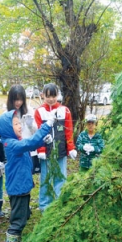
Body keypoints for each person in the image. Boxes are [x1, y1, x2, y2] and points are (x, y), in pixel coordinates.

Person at [0, 109, 55, 242]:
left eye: (19, 123)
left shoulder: (16, 141)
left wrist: (43, 140)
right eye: (15, 124)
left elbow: (30, 144)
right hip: (18, 189)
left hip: (22, 187)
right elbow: (30, 143)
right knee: (18, 221)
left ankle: (17, 241)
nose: (20, 126)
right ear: (7, 128)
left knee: (24, 215)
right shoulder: (11, 144)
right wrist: (46, 126)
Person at [34, 83, 77, 212]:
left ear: (57, 95)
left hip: (61, 151)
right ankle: (45, 205)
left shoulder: (65, 110)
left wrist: (71, 148)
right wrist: (40, 149)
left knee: (61, 177)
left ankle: (60, 203)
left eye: (53, 96)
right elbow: (37, 132)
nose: (51, 99)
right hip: (46, 153)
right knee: (46, 178)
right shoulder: (39, 111)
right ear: (43, 96)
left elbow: (68, 131)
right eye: (48, 96)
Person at [6, 84, 39, 173]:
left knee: (27, 175)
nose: (18, 102)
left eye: (20, 99)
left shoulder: (29, 110)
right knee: (16, 175)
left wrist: (30, 125)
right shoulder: (7, 113)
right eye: (15, 99)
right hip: (15, 149)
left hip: (28, 149)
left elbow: (36, 131)